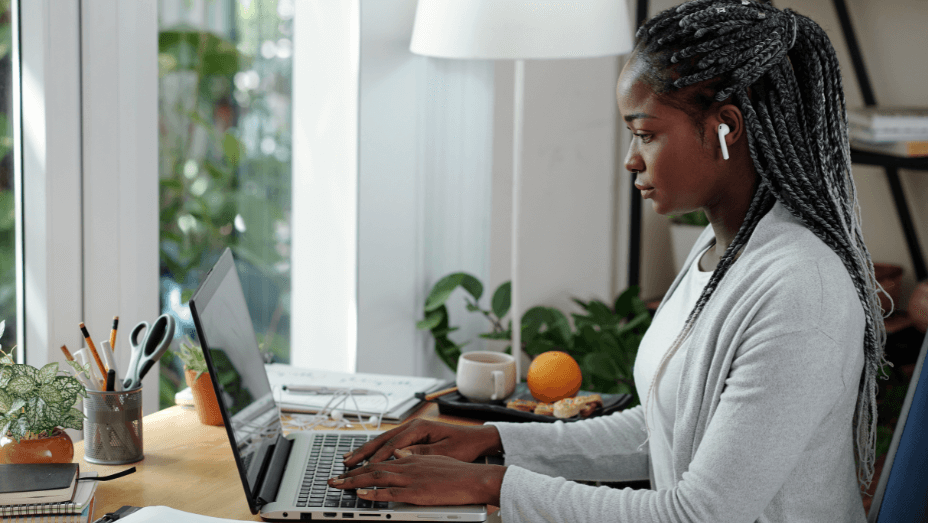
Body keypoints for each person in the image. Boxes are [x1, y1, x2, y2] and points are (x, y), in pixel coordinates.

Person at [328, 0, 888, 520]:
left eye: (645, 134)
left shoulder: (801, 290)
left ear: (726, 127)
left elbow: (698, 514)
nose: (630, 160)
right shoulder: (725, 246)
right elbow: (665, 428)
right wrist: (498, 442)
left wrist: (492, 485)